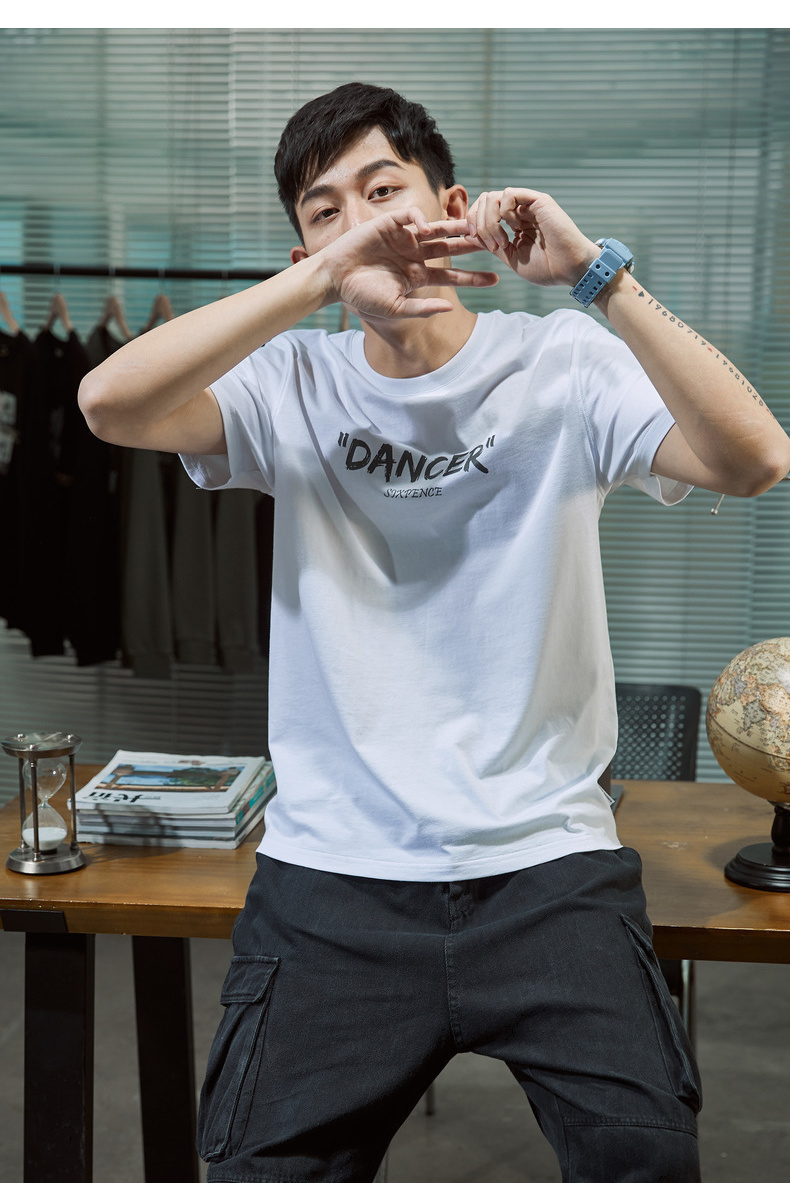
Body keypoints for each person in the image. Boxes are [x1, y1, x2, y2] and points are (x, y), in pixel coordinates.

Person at [79, 82, 790, 1182]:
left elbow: (756, 459)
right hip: (331, 879)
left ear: (449, 206)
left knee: (647, 1162)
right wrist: (321, 279)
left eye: (382, 191)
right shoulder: (290, 383)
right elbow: (108, 405)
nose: (358, 221)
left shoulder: (561, 362)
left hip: (549, 867)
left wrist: (598, 276)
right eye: (324, 212)